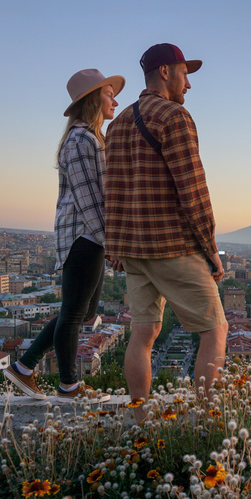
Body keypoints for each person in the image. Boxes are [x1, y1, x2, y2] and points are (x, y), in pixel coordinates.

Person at [105, 43, 227, 422]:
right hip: (172, 245)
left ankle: (140, 422)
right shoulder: (175, 118)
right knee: (214, 330)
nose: (188, 84)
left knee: (143, 332)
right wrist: (211, 249)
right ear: (165, 73)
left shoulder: (118, 123)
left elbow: (111, 190)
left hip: (134, 250)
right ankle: (205, 421)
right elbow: (193, 191)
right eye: (184, 73)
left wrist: (115, 246)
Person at [4, 69, 124, 403]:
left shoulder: (90, 138)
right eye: (109, 93)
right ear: (93, 100)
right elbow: (89, 201)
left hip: (90, 238)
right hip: (85, 237)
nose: (115, 99)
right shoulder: (82, 140)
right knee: (74, 313)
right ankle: (69, 386)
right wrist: (111, 244)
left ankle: (24, 368)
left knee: (82, 312)